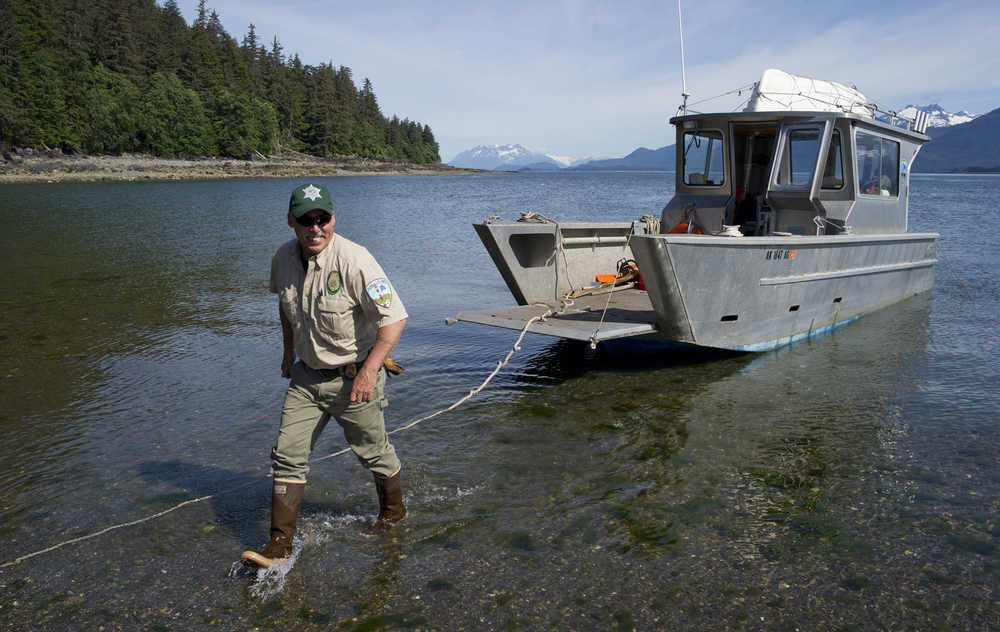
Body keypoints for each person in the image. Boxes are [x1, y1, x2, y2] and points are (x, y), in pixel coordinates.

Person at [242, 183, 408, 568]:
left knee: (374, 453)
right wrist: (287, 352)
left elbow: (395, 320)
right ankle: (279, 547)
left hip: (354, 377)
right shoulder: (282, 258)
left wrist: (368, 372)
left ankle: (394, 515)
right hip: (305, 378)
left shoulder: (356, 260)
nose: (316, 228)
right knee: (286, 456)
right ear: (291, 222)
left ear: (333, 219)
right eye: (306, 220)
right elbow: (287, 308)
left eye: (323, 219)